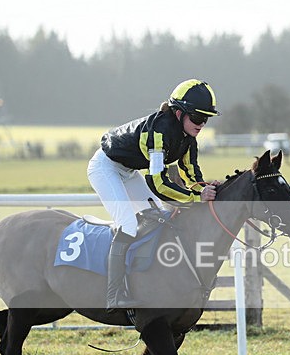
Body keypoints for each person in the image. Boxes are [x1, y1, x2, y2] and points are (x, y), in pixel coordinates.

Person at [87, 79, 221, 309]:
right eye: (197, 118)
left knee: (160, 219)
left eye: (206, 119)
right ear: (179, 114)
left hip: (128, 171)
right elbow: (158, 182)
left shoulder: (189, 138)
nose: (201, 125)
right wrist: (195, 198)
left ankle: (150, 282)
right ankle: (113, 294)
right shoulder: (160, 131)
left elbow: (190, 174)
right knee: (128, 225)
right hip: (105, 168)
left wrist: (203, 189)